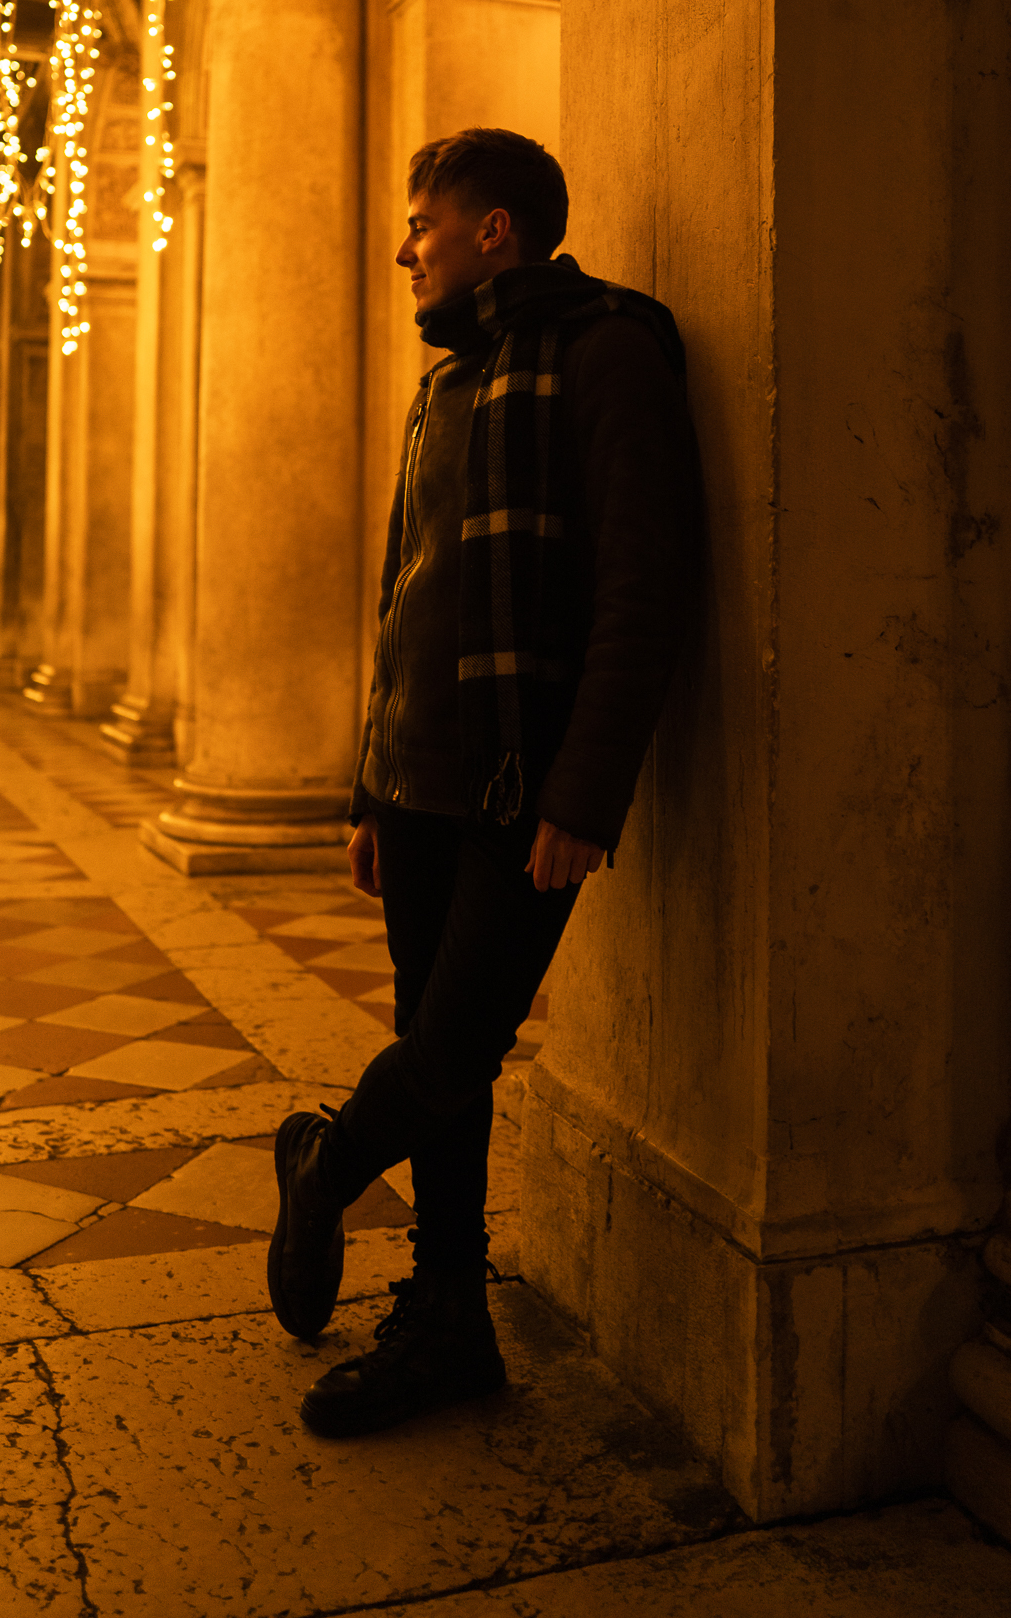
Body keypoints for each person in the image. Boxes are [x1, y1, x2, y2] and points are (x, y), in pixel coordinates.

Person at [267, 126, 701, 1438]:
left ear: (492, 229)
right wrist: (366, 787)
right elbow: (404, 593)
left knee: (458, 1043)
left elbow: (645, 586)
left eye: (423, 223)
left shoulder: (607, 353)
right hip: (416, 782)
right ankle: (450, 1315)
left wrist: (584, 795)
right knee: (441, 1056)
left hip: (522, 790)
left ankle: (326, 1162)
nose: (407, 249)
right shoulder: (447, 384)